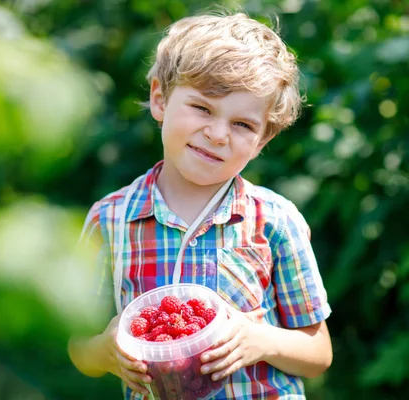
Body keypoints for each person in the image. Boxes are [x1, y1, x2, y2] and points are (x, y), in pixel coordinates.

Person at [68, 11, 333, 399]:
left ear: (261, 142)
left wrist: (259, 340)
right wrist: (106, 352)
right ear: (160, 99)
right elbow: (78, 348)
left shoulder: (275, 219)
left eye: (243, 125)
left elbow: (318, 351)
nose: (217, 134)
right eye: (203, 108)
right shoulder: (110, 219)